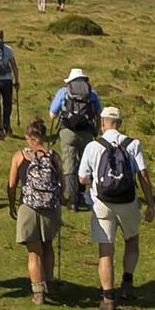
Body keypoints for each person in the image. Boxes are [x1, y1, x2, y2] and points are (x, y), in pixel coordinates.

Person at [78, 106, 155, 310]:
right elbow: (143, 175)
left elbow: (82, 178)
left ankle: (108, 298)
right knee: (132, 241)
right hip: (128, 202)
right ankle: (128, 283)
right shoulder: (133, 144)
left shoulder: (93, 146)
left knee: (106, 251)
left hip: (102, 203)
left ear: (102, 122)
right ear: (119, 123)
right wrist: (150, 203)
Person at [7, 118, 65, 305]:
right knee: (47, 246)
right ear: (43, 136)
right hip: (49, 207)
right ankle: (48, 281)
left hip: (28, 207)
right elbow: (62, 183)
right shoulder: (53, 156)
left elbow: (12, 184)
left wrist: (12, 205)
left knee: (34, 253)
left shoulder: (19, 156)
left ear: (27, 137)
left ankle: (38, 292)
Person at [48, 68, 101, 211]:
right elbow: (98, 113)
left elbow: (52, 114)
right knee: (85, 163)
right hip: (86, 132)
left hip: (67, 131)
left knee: (69, 164)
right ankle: (82, 195)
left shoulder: (63, 92)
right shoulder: (92, 94)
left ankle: (72, 200)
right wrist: (96, 130)